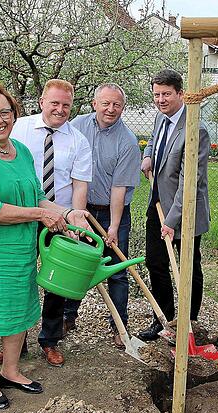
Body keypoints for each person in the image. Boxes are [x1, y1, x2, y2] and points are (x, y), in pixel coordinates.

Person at [0, 82, 89, 409]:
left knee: (18, 305)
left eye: (5, 112)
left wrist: (68, 212)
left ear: (15, 114)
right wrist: (41, 215)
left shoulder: (21, 151)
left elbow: (36, 196)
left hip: (17, 244)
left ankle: (10, 370)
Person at [10, 78, 93, 367]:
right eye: (54, 103)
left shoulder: (78, 141)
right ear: (42, 101)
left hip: (60, 219)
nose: (60, 109)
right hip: (23, 215)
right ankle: (14, 343)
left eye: (66, 105)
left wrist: (77, 225)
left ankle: (49, 340)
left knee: (57, 282)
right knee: (19, 277)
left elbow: (80, 185)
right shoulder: (18, 129)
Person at [66, 83, 141, 348]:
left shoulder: (128, 142)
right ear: (94, 103)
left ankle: (119, 326)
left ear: (123, 107)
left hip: (111, 212)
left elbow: (119, 189)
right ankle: (67, 317)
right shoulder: (76, 126)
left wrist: (114, 227)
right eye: (105, 103)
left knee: (116, 270)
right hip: (79, 209)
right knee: (76, 264)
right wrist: (75, 213)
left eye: (117, 105)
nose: (111, 109)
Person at [137, 69, 210, 342]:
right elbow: (155, 142)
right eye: (156, 95)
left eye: (166, 94)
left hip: (185, 210)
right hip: (157, 204)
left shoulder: (195, 130)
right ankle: (164, 320)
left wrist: (172, 219)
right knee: (156, 262)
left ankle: (188, 323)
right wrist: (147, 156)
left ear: (180, 94)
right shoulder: (161, 118)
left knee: (189, 266)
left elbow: (190, 181)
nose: (161, 100)